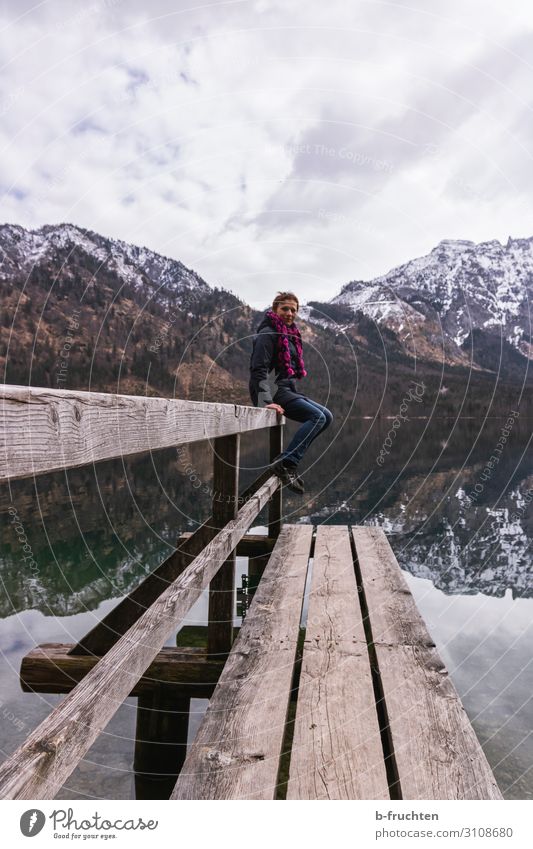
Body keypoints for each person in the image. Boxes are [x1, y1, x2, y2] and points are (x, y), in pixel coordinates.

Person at [249, 291, 333, 494]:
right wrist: (265, 401)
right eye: (284, 308)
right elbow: (258, 369)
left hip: (285, 389)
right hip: (271, 391)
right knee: (317, 417)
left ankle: (287, 461)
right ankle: (287, 463)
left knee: (327, 416)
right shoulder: (268, 333)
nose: (289, 313)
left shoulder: (289, 334)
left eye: (293, 310)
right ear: (274, 309)